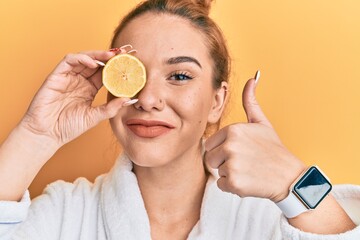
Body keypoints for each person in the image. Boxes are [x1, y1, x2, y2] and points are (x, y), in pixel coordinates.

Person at [0, 0, 359, 239]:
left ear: (217, 101)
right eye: (134, 74)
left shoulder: (270, 218)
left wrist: (292, 179)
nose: (148, 99)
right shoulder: (65, 212)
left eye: (181, 76)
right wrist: (36, 134)